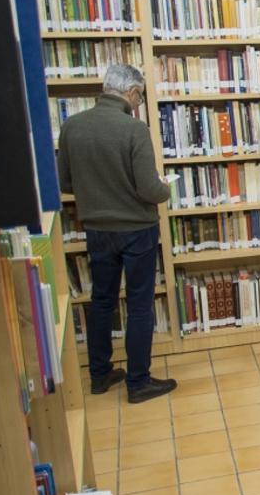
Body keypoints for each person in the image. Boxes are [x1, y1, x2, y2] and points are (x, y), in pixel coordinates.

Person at [57, 65, 177, 404]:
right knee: (139, 304)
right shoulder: (134, 130)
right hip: (136, 229)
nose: (138, 103)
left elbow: (65, 183)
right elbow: (150, 190)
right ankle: (138, 382)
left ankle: (99, 375)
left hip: (96, 228)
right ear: (130, 92)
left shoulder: (72, 127)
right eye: (139, 95)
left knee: (102, 300)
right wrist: (165, 188)